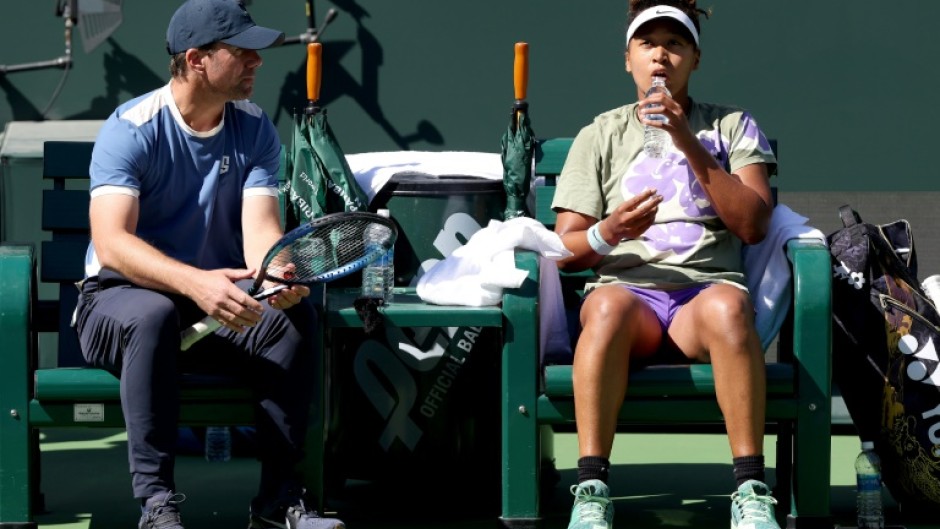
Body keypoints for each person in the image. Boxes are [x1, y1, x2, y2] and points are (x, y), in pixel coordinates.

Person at [73, 1, 343, 528]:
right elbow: (111, 244)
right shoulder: (130, 129)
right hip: (115, 302)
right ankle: (156, 506)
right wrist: (195, 283)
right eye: (242, 53)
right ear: (196, 59)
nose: (257, 63)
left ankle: (277, 499)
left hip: (211, 305)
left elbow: (260, 231)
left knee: (289, 321)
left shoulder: (255, 127)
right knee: (150, 314)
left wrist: (276, 271)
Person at [551, 2, 781, 529]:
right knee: (604, 306)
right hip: (630, 298)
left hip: (703, 294)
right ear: (627, 60)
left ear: (695, 59)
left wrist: (687, 142)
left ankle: (749, 487)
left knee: (728, 307)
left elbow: (753, 225)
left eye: (675, 44)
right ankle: (591, 486)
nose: (661, 55)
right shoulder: (600, 134)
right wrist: (610, 231)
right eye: (647, 43)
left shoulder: (730, 125)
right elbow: (565, 250)